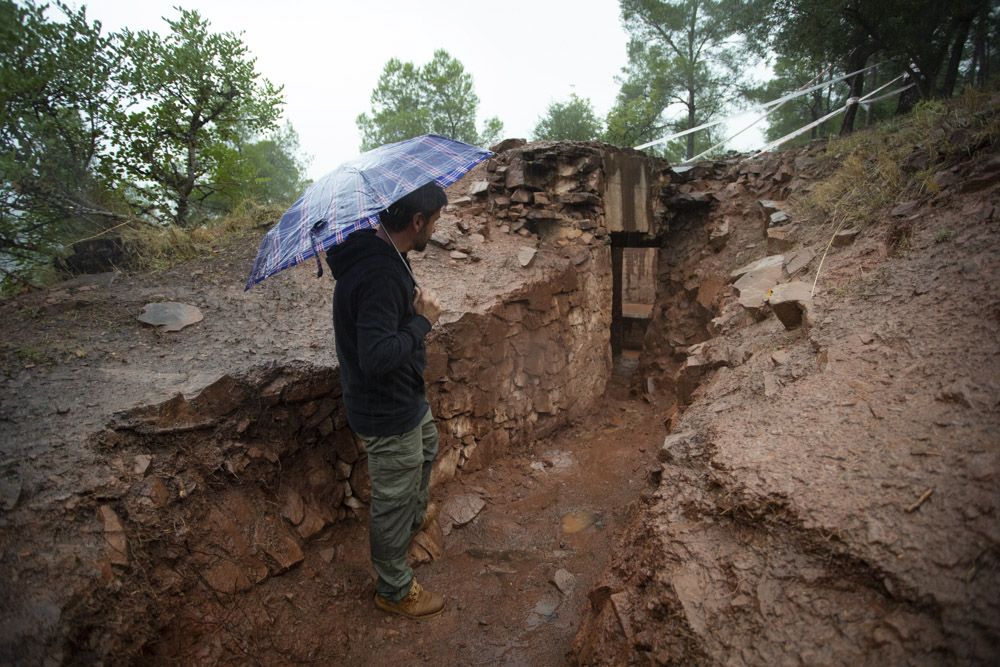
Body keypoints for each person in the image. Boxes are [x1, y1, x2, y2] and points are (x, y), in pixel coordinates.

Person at [326, 181, 447, 620]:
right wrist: (423, 322)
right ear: (417, 222)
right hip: (386, 409)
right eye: (434, 220)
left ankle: (411, 520)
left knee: (427, 450)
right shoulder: (377, 275)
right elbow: (376, 357)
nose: (436, 227)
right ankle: (394, 589)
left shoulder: (389, 257)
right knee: (393, 499)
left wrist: (411, 310)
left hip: (405, 399)